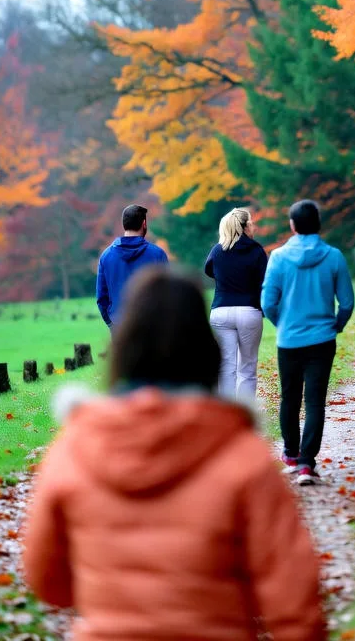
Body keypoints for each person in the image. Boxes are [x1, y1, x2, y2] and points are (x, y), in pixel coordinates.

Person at [23, 266, 326, 641]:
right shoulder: (241, 454)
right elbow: (291, 595)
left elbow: (47, 582)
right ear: (205, 349)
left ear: (124, 347)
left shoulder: (73, 449)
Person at [261, 199, 354, 487]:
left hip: (289, 340)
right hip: (322, 339)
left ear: (292, 226)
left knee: (289, 398)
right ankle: (306, 463)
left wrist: (283, 324)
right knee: (314, 402)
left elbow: (267, 303)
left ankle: (291, 454)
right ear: (319, 224)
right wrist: (336, 325)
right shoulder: (334, 257)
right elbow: (346, 303)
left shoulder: (278, 257)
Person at [205, 206, 267, 401]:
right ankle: (244, 410)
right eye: (251, 223)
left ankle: (227, 412)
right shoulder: (256, 250)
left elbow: (209, 270)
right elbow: (264, 280)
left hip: (221, 310)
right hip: (249, 310)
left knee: (226, 366)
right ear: (245, 226)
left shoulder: (217, 250)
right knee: (247, 367)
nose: (253, 227)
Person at [95, 203, 167, 329]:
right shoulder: (157, 255)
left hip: (119, 326)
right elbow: (167, 294)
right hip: (152, 327)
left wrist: (111, 324)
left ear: (124, 224)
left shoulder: (106, 256)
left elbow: (101, 298)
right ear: (144, 224)